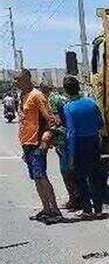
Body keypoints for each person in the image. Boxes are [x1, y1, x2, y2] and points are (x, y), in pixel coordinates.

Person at [16, 69, 63, 224]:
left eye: (18, 79)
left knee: (41, 176)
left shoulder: (37, 95)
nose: (16, 82)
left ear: (27, 78)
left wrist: (45, 140)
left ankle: (55, 210)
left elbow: (51, 121)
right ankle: (46, 209)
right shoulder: (23, 96)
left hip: (37, 144)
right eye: (15, 79)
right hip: (27, 144)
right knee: (36, 178)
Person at [63, 76, 105, 219]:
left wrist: (71, 154)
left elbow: (71, 131)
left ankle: (87, 210)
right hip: (93, 142)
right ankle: (98, 210)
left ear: (66, 90)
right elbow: (100, 124)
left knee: (81, 179)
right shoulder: (92, 103)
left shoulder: (68, 107)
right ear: (79, 87)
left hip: (78, 144)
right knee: (94, 177)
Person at [49, 86, 81, 211]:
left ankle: (74, 200)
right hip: (74, 139)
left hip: (64, 141)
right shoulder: (68, 101)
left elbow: (57, 122)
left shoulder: (53, 100)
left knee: (66, 171)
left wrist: (50, 130)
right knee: (74, 171)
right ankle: (77, 199)